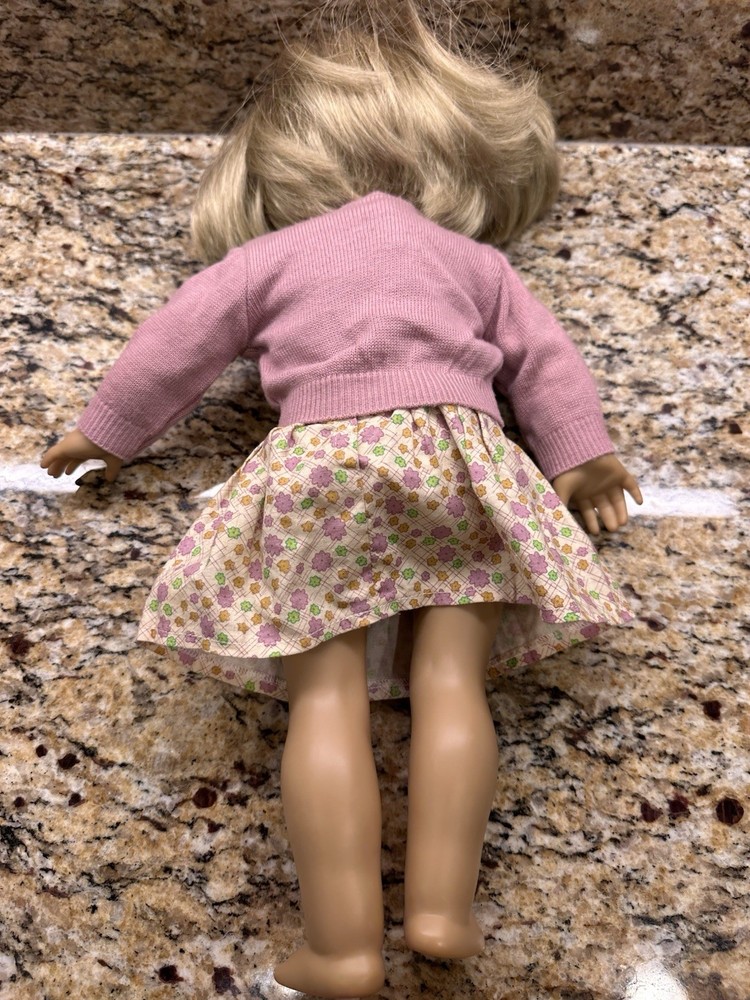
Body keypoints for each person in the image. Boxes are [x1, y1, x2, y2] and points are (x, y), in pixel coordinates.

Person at [41, 1, 643, 995]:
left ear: (281, 159)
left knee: (323, 697)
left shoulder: (267, 258)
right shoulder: (475, 261)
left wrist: (105, 430)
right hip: (459, 460)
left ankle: (343, 946)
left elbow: (174, 345)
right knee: (452, 681)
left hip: (322, 469)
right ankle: (442, 911)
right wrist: (582, 458)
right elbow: (544, 363)